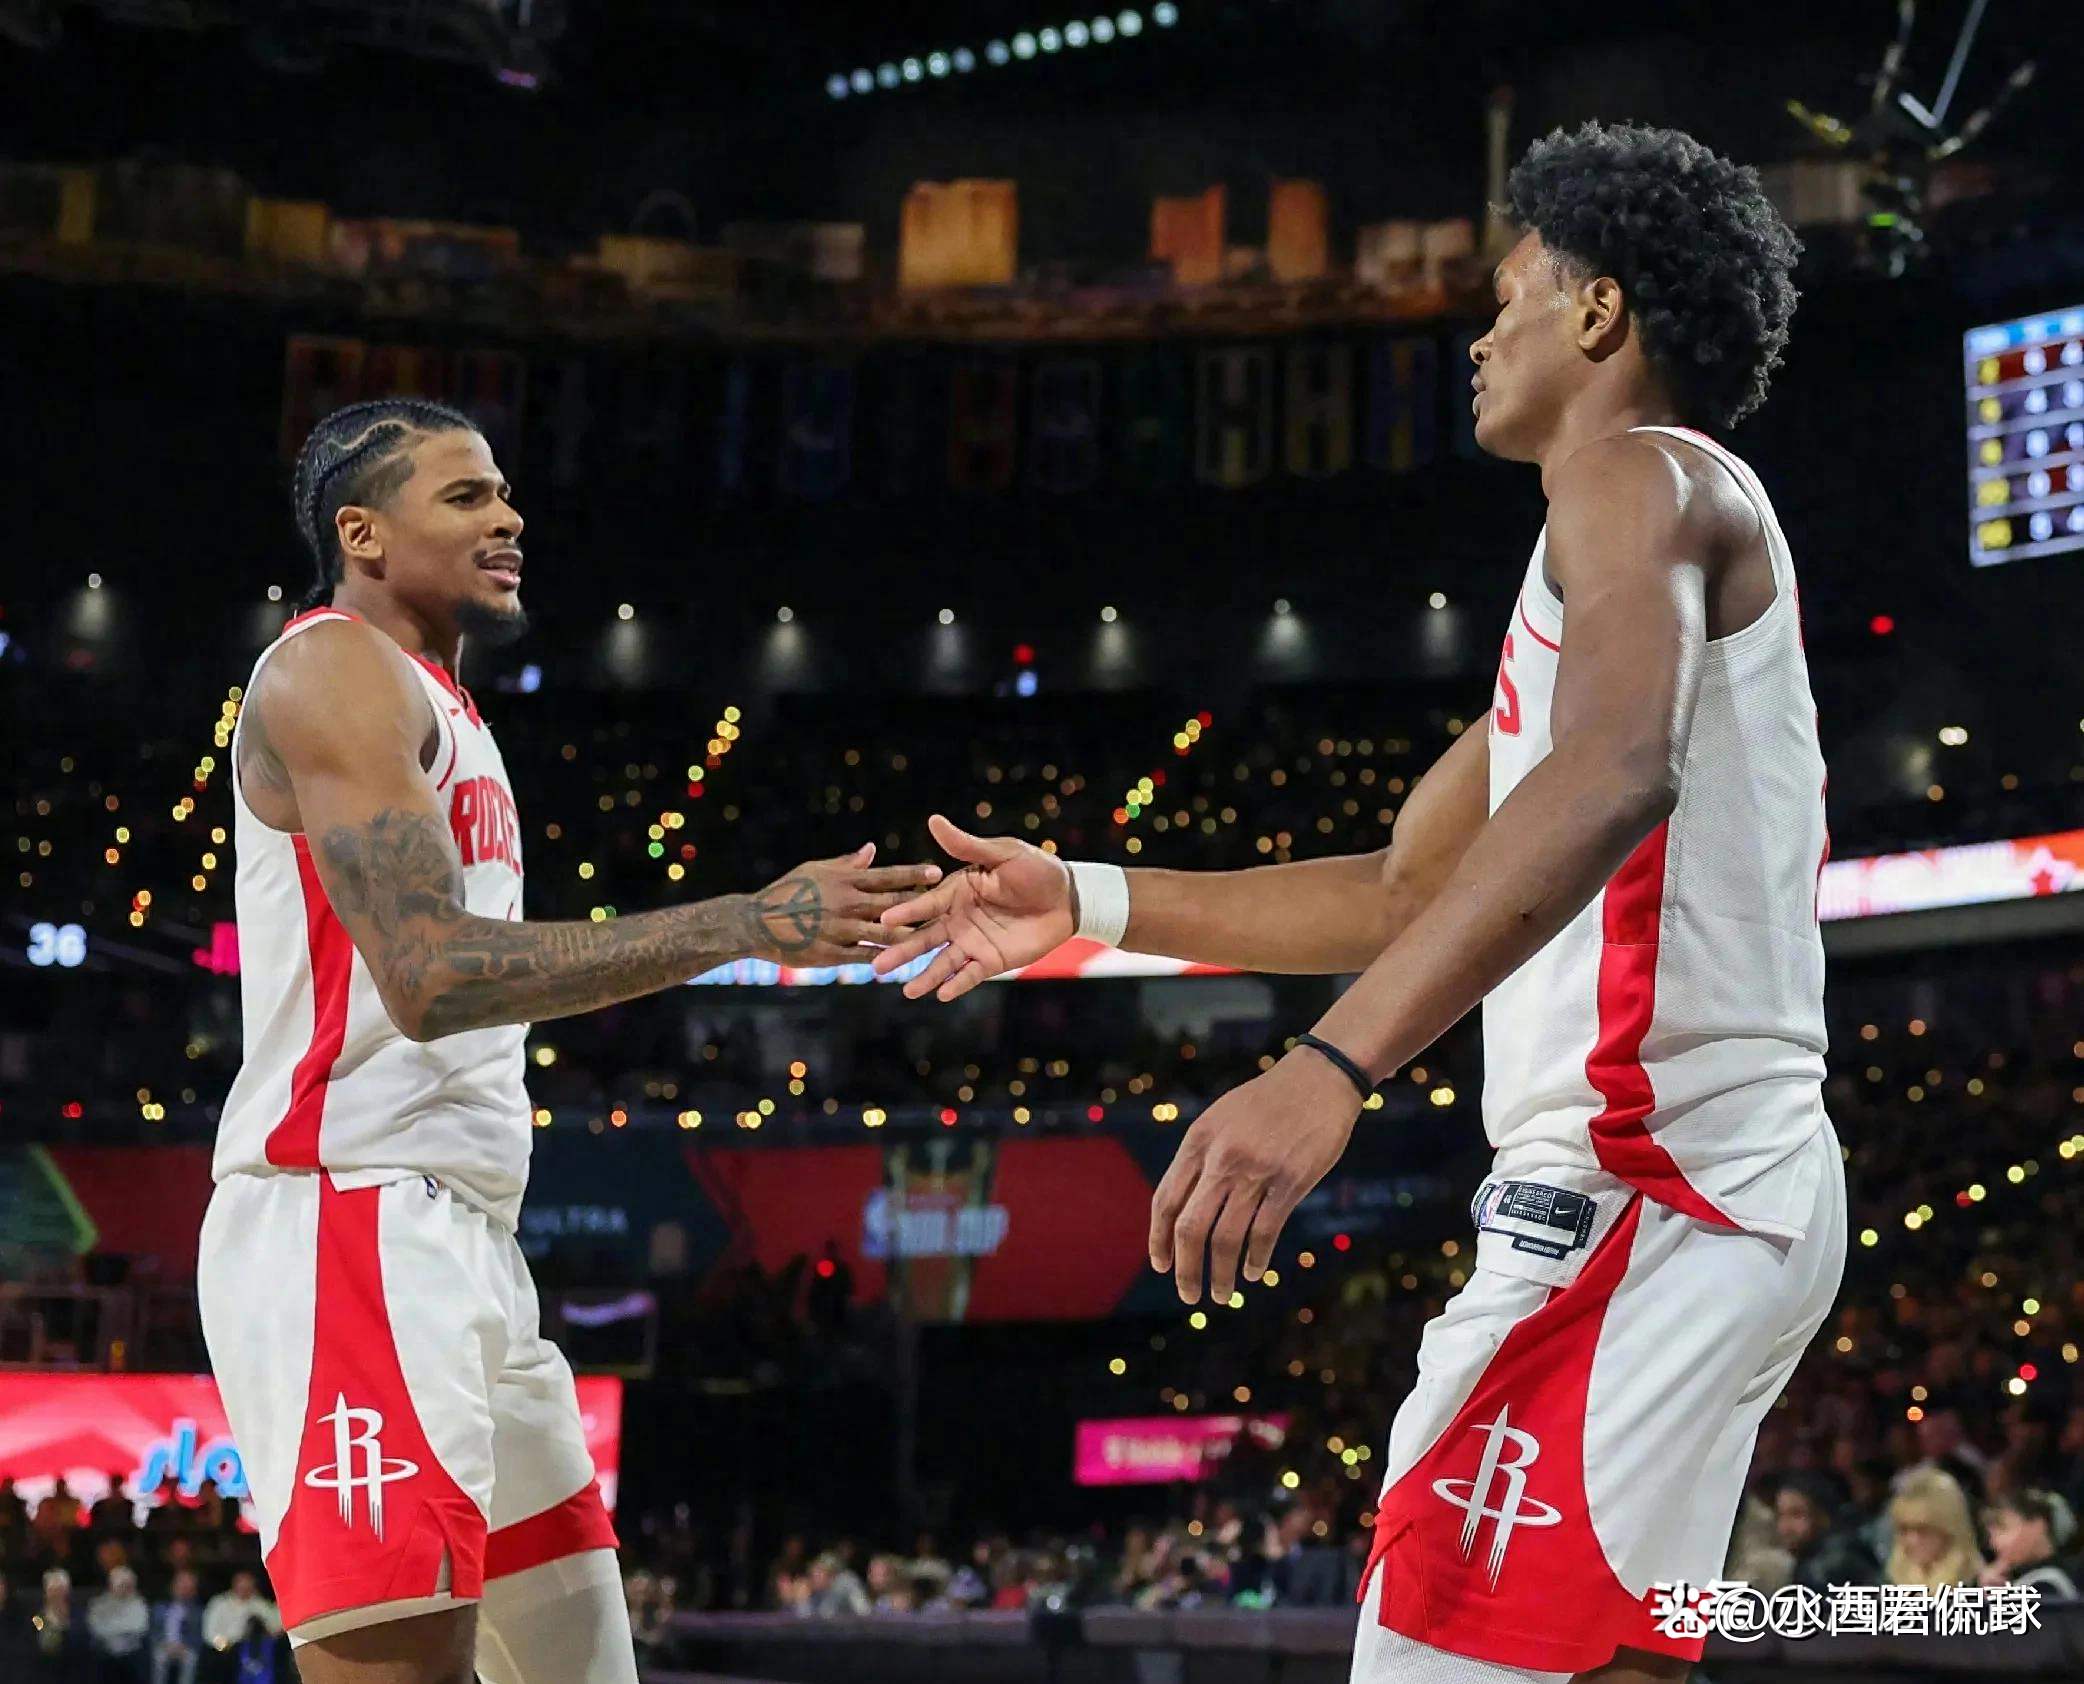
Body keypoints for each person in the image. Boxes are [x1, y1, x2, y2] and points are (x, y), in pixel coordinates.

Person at [879, 120, 1835, 1684]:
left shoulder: (1635, 474)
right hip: (1714, 1195)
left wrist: (1328, 1068)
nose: (1481, 338)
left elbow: (1616, 775)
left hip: (1646, 1189)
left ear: (1600, 313)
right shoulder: (1617, 557)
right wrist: (1088, 900)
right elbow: (1403, 891)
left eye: (1511, 297)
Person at [196, 399, 941, 1684]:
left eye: (503, 492)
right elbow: (430, 975)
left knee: (580, 1663)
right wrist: (742, 920)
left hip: (463, 1235)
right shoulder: (329, 669)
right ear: (361, 534)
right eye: (465, 496)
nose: (508, 517)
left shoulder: (443, 703)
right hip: (347, 1217)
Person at [1772, 1472, 1876, 1592]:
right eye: (1780, 1515)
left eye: (1796, 1514)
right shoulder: (1809, 1559)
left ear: (1824, 1518)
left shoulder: (1833, 1563)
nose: (1785, 1527)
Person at [1885, 1468, 1984, 1590]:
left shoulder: (1977, 1585)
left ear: (1949, 1529)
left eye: (1923, 1530)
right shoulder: (1889, 1584)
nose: (1912, 1540)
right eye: (1904, 1530)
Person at [1980, 1489, 2081, 1598]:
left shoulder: (2048, 1584)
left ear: (2037, 1525)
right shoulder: (2015, 1578)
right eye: (1991, 1535)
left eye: (2003, 1529)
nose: (1994, 1542)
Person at [87, 1565, 151, 1683]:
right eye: (122, 1585)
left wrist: (112, 1626)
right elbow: (95, 1627)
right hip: (105, 1650)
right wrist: (121, 1628)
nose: (125, 1589)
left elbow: (140, 1628)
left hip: (132, 1652)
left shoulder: (139, 1603)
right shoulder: (98, 1604)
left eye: (128, 1585)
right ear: (111, 1586)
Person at [149, 1568, 206, 1684]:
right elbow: (152, 1631)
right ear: (173, 1587)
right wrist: (162, 1643)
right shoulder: (159, 1607)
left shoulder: (198, 1612)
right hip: (163, 1645)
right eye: (181, 1587)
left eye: (188, 1588)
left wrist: (184, 1646)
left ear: (194, 1591)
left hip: (186, 1647)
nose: (184, 1591)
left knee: (191, 1660)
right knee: (159, 1658)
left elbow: (199, 1634)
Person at [202, 1572, 281, 1653]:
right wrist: (225, 1646)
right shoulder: (219, 1602)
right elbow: (210, 1634)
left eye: (248, 1587)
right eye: (242, 1586)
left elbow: (275, 1624)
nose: (245, 1590)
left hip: (250, 1648)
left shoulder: (258, 1603)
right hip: (223, 1649)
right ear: (234, 1585)